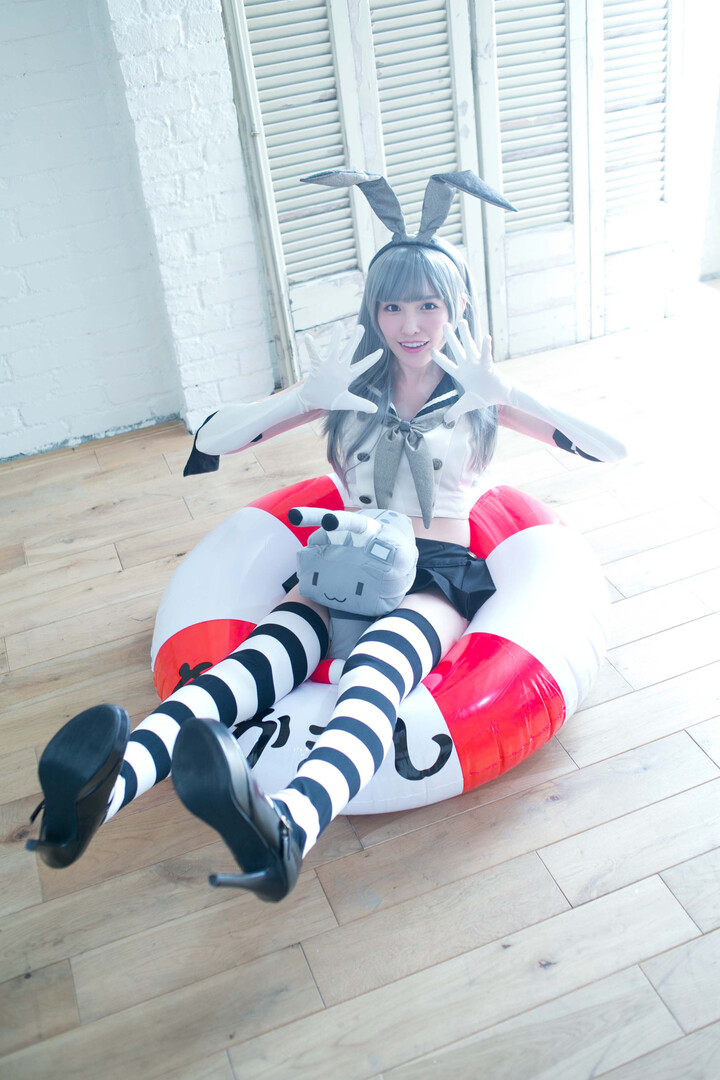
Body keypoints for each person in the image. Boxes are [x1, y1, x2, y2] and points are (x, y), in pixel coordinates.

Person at [27, 171, 626, 902]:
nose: (410, 324)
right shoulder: (350, 388)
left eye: (428, 305)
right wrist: (304, 398)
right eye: (393, 306)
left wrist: (508, 394)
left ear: (458, 307)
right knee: (247, 669)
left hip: (434, 571)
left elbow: (611, 448)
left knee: (372, 674)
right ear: (374, 312)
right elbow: (213, 439)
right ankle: (92, 803)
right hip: (342, 559)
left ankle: (289, 830)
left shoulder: (479, 394)